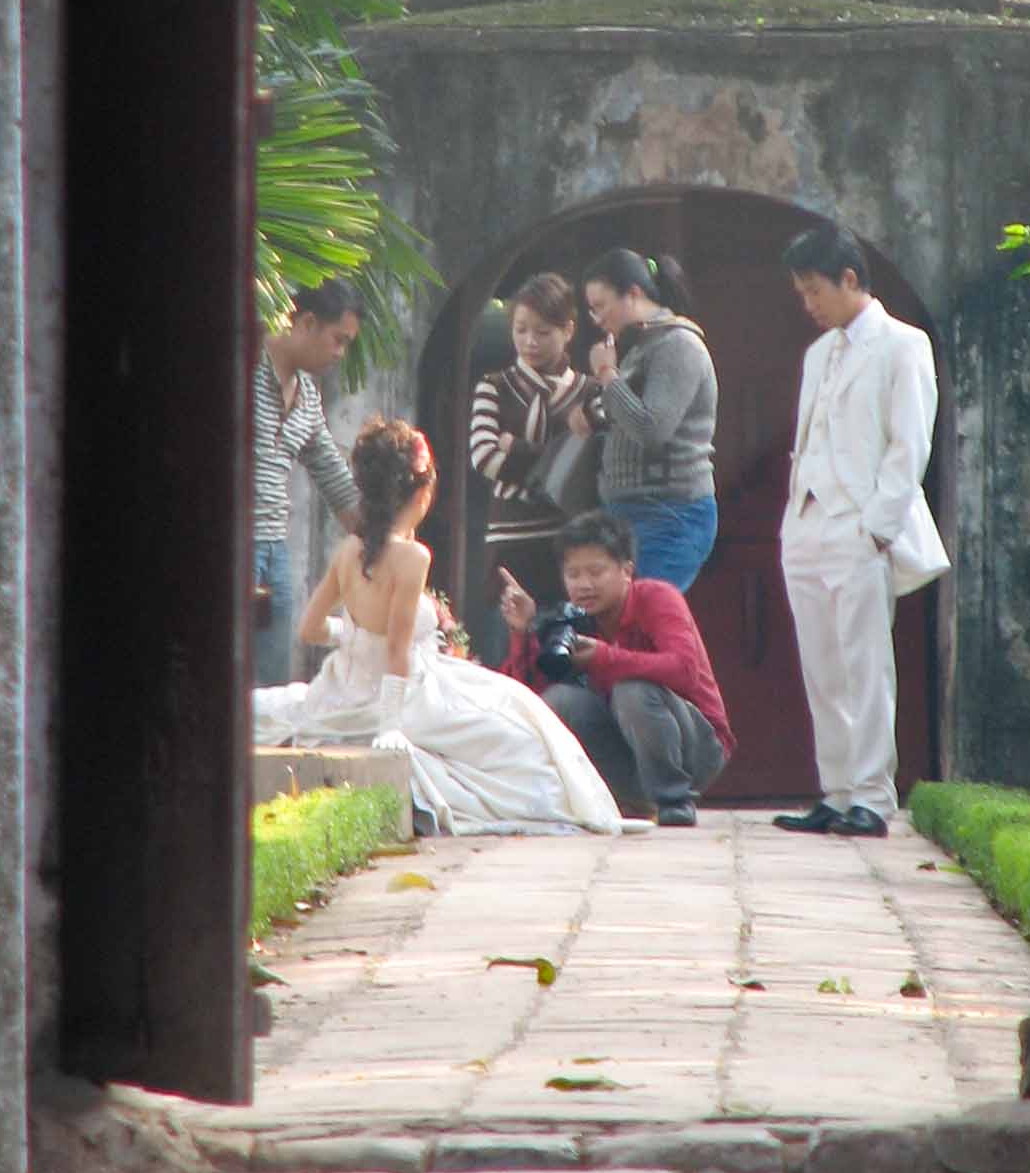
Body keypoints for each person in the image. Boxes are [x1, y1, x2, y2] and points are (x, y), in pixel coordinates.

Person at [253, 417, 624, 838]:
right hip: (407, 692)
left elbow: (311, 629)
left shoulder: (347, 550)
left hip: (344, 688)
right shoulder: (412, 556)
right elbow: (396, 649)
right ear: (421, 493)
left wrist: (355, 639)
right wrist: (390, 724)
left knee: (518, 711)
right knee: (522, 739)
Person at [773, 220, 950, 839]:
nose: (808, 305)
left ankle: (872, 795)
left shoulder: (904, 345)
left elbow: (910, 444)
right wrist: (794, 522)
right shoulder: (817, 353)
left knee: (864, 663)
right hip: (806, 525)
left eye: (814, 290)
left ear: (850, 279)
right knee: (821, 666)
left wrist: (878, 527)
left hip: (860, 525)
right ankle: (837, 789)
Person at [499, 510, 733, 827]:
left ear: (627, 570)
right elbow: (531, 698)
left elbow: (684, 669)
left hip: (697, 749)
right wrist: (524, 630)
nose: (584, 585)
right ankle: (619, 798)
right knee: (560, 699)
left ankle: (674, 800)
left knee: (631, 689)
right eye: (574, 574)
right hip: (630, 754)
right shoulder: (573, 618)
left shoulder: (657, 597)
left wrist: (604, 657)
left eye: (596, 572)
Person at [571, 247, 719, 590]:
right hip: (626, 512)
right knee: (627, 625)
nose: (597, 318)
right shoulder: (640, 345)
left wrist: (607, 374)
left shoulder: (679, 344)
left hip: (670, 513)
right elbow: (625, 413)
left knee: (645, 620)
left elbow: (650, 428)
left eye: (601, 306)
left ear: (634, 294)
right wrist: (593, 412)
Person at [468, 271, 596, 662]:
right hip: (509, 549)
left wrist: (517, 448)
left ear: (568, 330)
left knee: (563, 662)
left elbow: (589, 469)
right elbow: (484, 457)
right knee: (504, 663)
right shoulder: (494, 386)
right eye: (521, 330)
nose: (529, 341)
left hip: (567, 549)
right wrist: (557, 454)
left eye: (543, 332)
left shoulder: (590, 394)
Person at [253, 277, 365, 688]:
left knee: (272, 683)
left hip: (272, 551)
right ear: (307, 322)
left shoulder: (308, 397)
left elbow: (335, 479)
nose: (340, 353)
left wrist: (386, 542)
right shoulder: (242, 368)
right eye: (338, 339)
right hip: (225, 545)